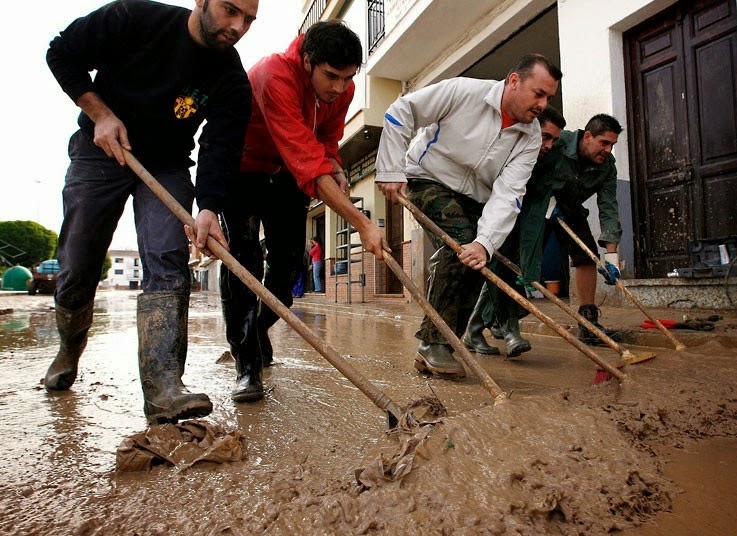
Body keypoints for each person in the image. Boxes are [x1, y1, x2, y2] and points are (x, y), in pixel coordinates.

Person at [42, 0, 259, 425]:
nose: (238, 26)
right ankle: (69, 348)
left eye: (249, 20)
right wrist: (100, 114)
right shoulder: (134, 19)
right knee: (77, 262)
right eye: (231, 11)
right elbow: (61, 52)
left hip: (166, 165)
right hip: (100, 150)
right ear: (202, 1)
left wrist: (209, 207)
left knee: (167, 259)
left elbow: (222, 146)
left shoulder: (230, 76)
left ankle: (163, 387)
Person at [219, 20, 385, 402]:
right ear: (308, 60)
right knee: (244, 259)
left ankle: (256, 332)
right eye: (331, 76)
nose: (339, 88)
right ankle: (247, 363)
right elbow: (307, 161)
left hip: (285, 178)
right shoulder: (272, 75)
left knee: (289, 267)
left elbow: (325, 140)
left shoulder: (341, 88)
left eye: (348, 78)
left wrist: (338, 164)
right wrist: (361, 223)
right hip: (243, 170)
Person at [375, 54, 562, 378]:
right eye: (538, 93)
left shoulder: (530, 136)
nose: (543, 105)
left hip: (478, 197)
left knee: (478, 257)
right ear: (514, 81)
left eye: (548, 98)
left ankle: (445, 343)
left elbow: (509, 193)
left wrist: (486, 242)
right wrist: (391, 169)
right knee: (460, 244)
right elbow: (402, 111)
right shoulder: (464, 92)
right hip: (428, 177)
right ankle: (434, 344)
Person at [463, 106, 566, 357]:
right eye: (545, 136)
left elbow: (535, 201)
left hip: (521, 214)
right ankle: (509, 331)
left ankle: (475, 330)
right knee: (500, 270)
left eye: (554, 139)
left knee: (509, 271)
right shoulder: (509, 142)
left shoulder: (549, 157)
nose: (549, 145)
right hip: (491, 211)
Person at [513, 113, 625, 345]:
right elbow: (525, 165)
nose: (607, 150)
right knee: (519, 258)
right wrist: (543, 199)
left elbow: (608, 207)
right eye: (604, 143)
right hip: (538, 201)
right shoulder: (557, 141)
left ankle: (588, 322)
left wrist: (612, 256)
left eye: (612, 145)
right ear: (587, 137)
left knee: (587, 256)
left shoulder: (607, 167)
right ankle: (504, 318)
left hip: (570, 207)